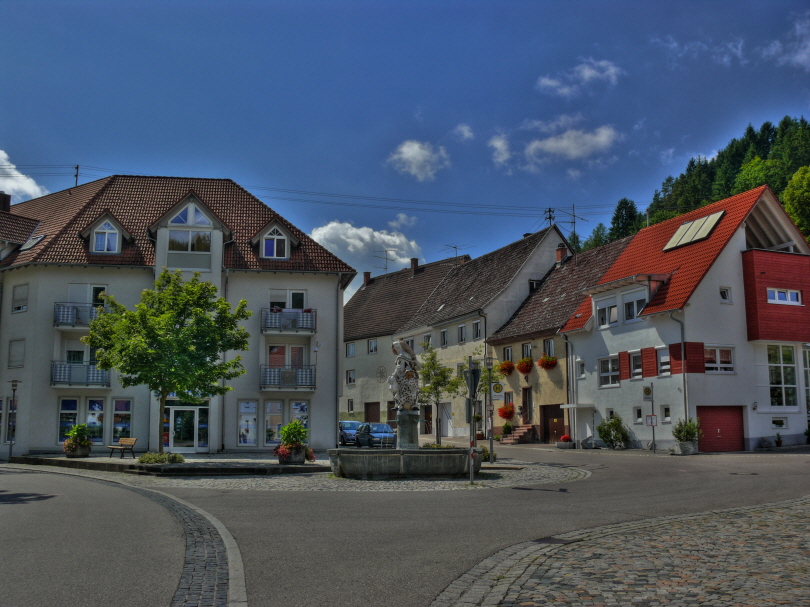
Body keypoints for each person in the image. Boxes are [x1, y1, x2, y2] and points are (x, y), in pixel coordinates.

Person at [387, 340, 420, 411]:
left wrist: (393, 376)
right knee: (413, 391)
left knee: (397, 390)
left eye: (394, 348)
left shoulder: (401, 356)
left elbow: (399, 368)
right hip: (412, 377)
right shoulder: (408, 355)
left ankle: (399, 406)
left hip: (403, 378)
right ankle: (415, 404)